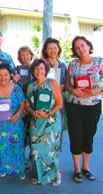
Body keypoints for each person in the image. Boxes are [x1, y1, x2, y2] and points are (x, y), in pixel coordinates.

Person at [65, 36, 102, 183]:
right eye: (77, 47)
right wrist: (73, 91)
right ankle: (77, 169)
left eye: (82, 46)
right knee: (75, 136)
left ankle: (86, 167)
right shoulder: (72, 64)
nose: (80, 49)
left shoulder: (100, 62)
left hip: (92, 106)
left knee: (89, 135)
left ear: (88, 46)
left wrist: (97, 90)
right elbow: (67, 85)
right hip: (74, 106)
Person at [25, 59, 63, 186]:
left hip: (51, 122)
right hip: (36, 122)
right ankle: (38, 175)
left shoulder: (52, 83)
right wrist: (32, 111)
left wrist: (49, 113)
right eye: (36, 69)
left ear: (46, 70)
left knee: (50, 149)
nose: (39, 71)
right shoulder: (30, 86)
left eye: (41, 68)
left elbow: (59, 103)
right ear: (33, 71)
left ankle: (54, 175)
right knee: (36, 149)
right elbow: (27, 105)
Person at [0, 64, 25, 179]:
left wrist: (17, 115)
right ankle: (3, 168)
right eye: (0, 75)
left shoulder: (16, 88)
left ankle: (19, 170)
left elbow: (22, 104)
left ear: (10, 75)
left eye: (6, 74)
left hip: (15, 123)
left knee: (17, 146)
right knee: (1, 147)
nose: (3, 77)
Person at [41, 37, 67, 151]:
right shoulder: (42, 65)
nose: (52, 50)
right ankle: (41, 157)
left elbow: (67, 83)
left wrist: (62, 87)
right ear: (45, 50)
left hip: (59, 102)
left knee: (57, 130)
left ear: (58, 49)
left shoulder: (62, 65)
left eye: (55, 48)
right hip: (45, 100)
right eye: (49, 48)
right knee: (43, 130)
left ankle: (55, 158)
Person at [17, 46, 35, 170]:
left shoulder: (37, 68)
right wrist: (14, 80)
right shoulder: (17, 71)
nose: (25, 57)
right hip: (23, 106)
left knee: (34, 131)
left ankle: (33, 154)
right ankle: (21, 158)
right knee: (23, 133)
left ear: (31, 55)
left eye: (27, 54)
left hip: (35, 105)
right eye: (22, 55)